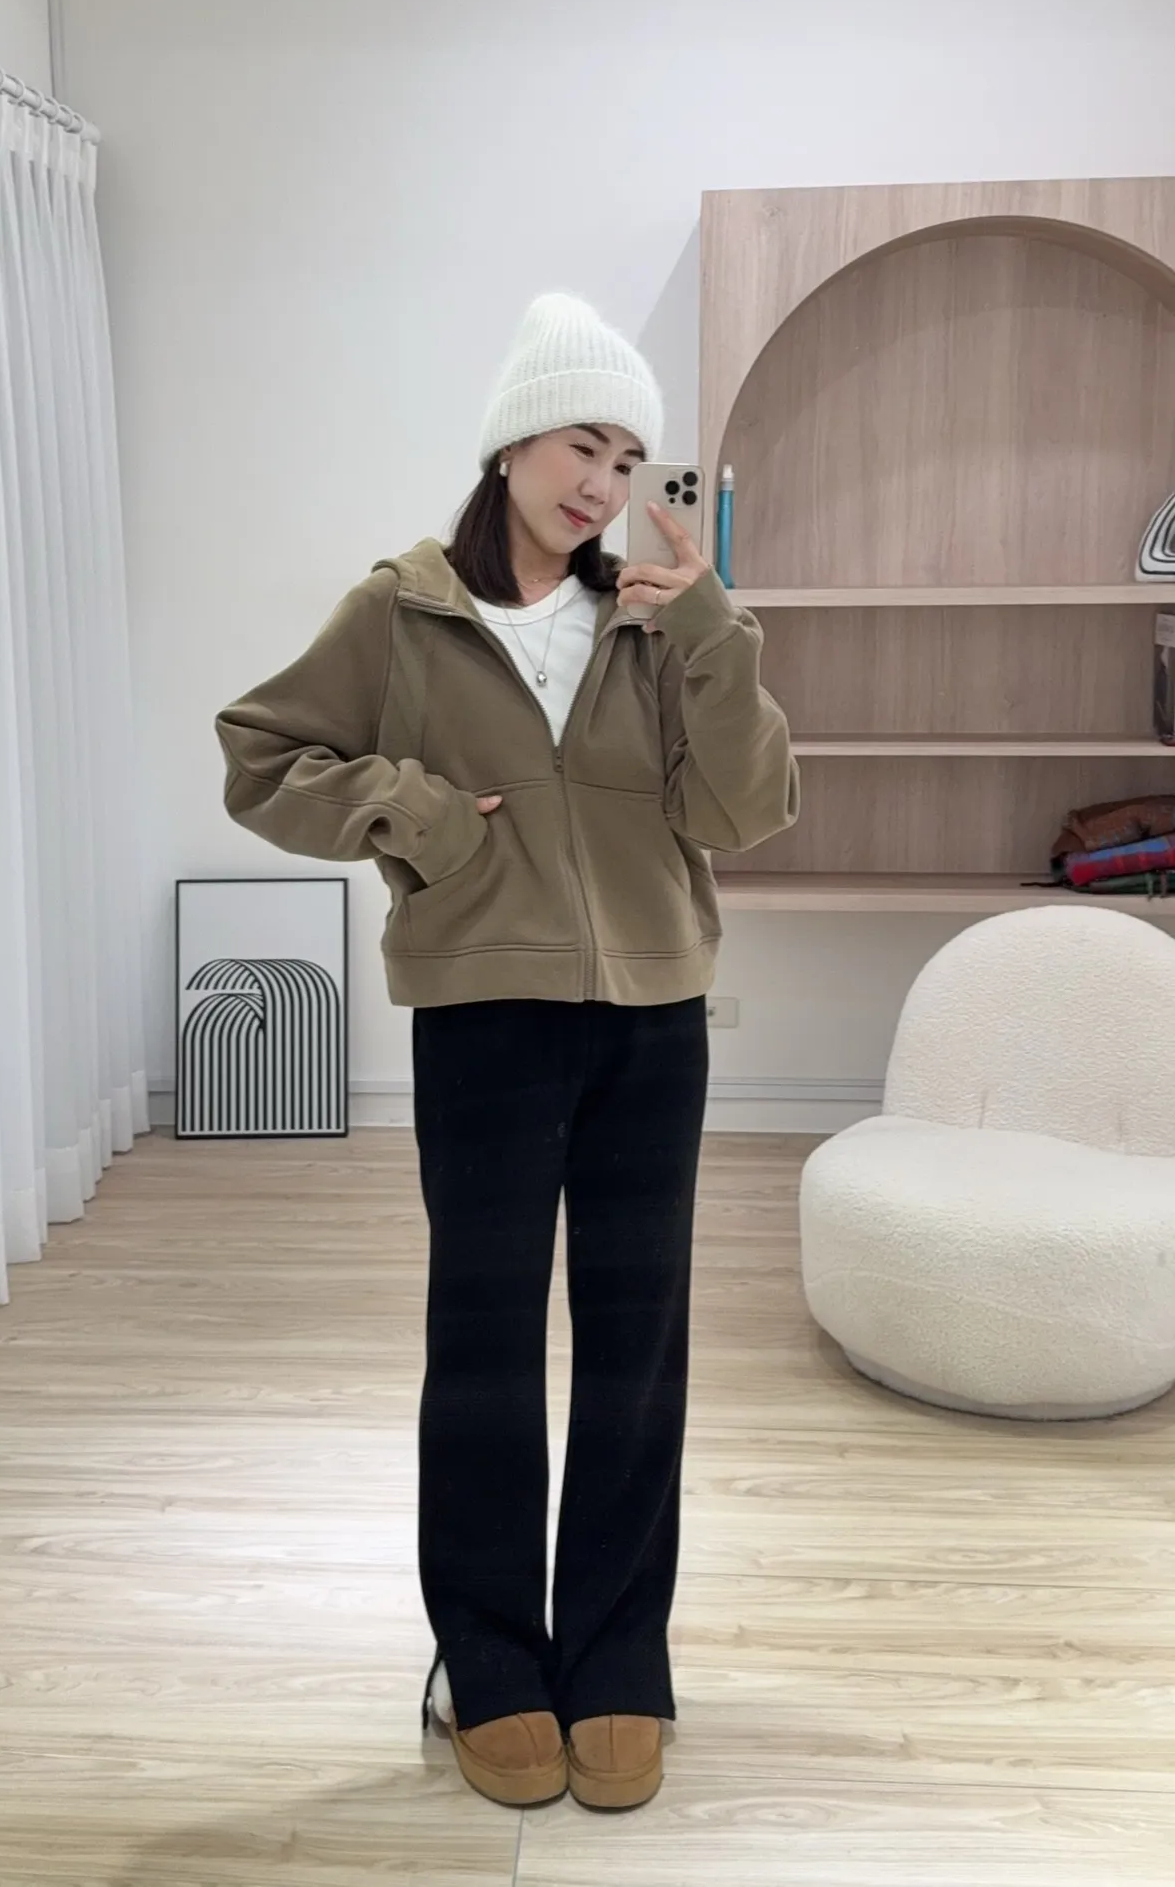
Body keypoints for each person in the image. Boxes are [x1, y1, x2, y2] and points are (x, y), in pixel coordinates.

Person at [215, 294, 799, 1813]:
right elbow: (260, 752)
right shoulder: (402, 610)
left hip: (653, 1019)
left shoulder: (660, 624)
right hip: (485, 1018)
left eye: (628, 459)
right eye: (579, 446)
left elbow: (745, 813)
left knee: (637, 1347)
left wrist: (715, 626)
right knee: (481, 1344)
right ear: (512, 445)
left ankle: (617, 1656)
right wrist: (408, 814)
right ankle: (484, 1655)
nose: (602, 484)